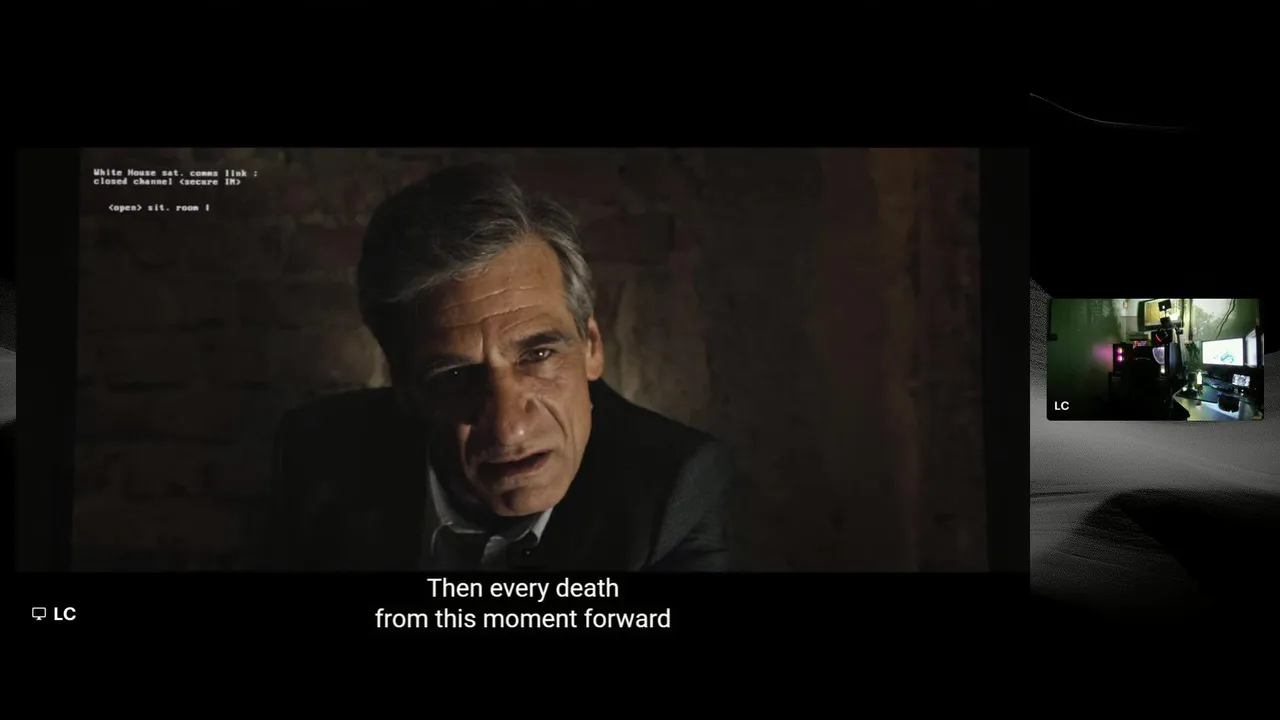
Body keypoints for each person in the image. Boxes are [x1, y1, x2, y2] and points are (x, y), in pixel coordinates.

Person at [259, 164, 735, 572]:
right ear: (403, 386)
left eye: (539, 354)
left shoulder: (674, 489)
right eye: (455, 377)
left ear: (591, 346)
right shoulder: (314, 458)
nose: (509, 430)